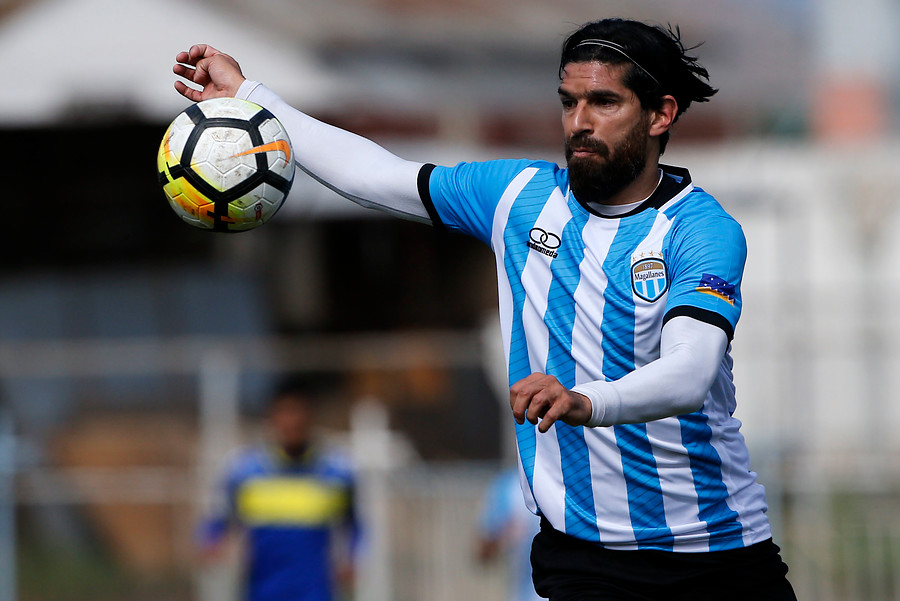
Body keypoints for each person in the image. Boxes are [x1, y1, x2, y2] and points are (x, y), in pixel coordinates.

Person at [174, 17, 797, 600]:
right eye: (568, 101)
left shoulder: (700, 230)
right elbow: (377, 174)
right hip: (584, 559)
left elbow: (690, 373)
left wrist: (586, 402)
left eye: (604, 102)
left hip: (713, 555)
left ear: (661, 114)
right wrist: (254, 97)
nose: (579, 121)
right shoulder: (518, 197)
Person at [196, 376, 359, 601]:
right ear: (272, 417)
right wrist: (212, 542)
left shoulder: (336, 473)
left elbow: (356, 525)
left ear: (310, 417)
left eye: (298, 412)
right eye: (285, 412)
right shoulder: (245, 472)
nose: (292, 422)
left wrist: (352, 558)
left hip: (316, 593)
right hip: (261, 592)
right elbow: (217, 518)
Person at [476, 468, 542, 601]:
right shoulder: (509, 485)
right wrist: (504, 537)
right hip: (524, 593)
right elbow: (484, 552)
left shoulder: (573, 479)